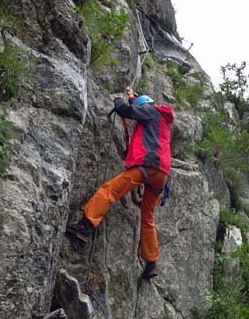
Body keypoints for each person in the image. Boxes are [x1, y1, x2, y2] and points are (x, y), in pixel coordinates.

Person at [67, 86, 174, 280]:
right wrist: (132, 95)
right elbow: (137, 109)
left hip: (147, 166)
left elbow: (129, 111)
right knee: (147, 217)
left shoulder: (151, 110)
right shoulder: (162, 121)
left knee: (109, 191)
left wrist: (120, 103)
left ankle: (85, 226)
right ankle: (151, 263)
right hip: (161, 174)